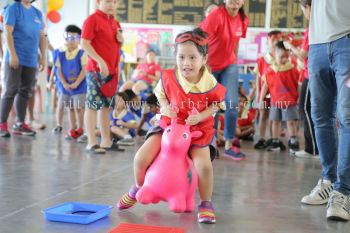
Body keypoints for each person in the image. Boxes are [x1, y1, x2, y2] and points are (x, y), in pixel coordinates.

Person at [117, 28, 226, 224]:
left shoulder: (209, 81)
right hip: (169, 124)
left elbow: (217, 104)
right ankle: (137, 188)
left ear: (204, 59)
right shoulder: (168, 77)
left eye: (193, 57)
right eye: (182, 56)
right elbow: (159, 94)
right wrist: (166, 107)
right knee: (140, 158)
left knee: (204, 166)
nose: (186, 63)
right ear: (175, 56)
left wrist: (201, 115)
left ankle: (206, 203)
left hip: (197, 129)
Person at [300, 0, 350, 221]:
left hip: (347, 42)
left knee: (347, 115)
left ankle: (344, 190)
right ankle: (328, 180)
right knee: (320, 115)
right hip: (317, 44)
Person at [200, 0, 249, 160]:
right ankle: (210, 144)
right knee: (212, 106)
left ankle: (229, 144)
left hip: (229, 65)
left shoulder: (243, 19)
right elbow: (200, 39)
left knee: (232, 104)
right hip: (210, 66)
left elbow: (236, 42)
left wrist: (234, 62)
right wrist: (203, 63)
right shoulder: (216, 15)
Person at [81, 0, 124, 154]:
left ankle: (106, 141)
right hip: (95, 71)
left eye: (114, 2)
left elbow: (114, 47)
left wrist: (121, 40)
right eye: (107, 1)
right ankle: (91, 142)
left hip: (112, 72)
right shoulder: (92, 20)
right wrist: (100, 62)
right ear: (98, 2)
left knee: (106, 107)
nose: (111, 4)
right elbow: (84, 43)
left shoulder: (115, 22)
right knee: (92, 106)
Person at [0, 0, 46, 137]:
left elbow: (41, 36)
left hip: (31, 59)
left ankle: (20, 123)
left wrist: (43, 56)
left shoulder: (37, 12)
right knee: (11, 90)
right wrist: (13, 54)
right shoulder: (13, 8)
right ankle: (2, 123)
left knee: (26, 91)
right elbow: (8, 33)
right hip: (15, 58)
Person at [283, 0, 318, 159]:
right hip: (309, 73)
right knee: (310, 110)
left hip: (311, 75)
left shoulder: (312, 27)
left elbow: (304, 54)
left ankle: (313, 149)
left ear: (308, 8)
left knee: (306, 109)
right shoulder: (316, 27)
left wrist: (290, 46)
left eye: (303, 9)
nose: (304, 12)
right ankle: (313, 148)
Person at [259, 41, 299, 153]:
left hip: (290, 101)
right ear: (274, 54)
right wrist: (261, 100)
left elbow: (298, 84)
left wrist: (299, 97)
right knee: (275, 121)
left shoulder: (292, 69)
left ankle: (293, 142)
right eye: (282, 57)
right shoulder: (270, 71)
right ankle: (275, 142)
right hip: (275, 101)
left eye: (287, 56)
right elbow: (265, 86)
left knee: (291, 122)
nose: (285, 59)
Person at [53, 25, 87, 140]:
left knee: (78, 107)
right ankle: (72, 129)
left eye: (74, 37)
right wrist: (64, 83)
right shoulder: (60, 52)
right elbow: (59, 70)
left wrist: (77, 83)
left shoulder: (83, 53)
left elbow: (84, 70)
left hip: (79, 86)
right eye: (69, 37)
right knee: (69, 107)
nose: (71, 40)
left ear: (79, 39)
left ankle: (80, 128)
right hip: (65, 86)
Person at [254, 30, 282, 149]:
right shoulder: (261, 59)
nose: (275, 42)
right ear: (268, 41)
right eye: (273, 39)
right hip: (264, 93)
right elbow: (258, 79)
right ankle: (261, 138)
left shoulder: (281, 58)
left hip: (277, 93)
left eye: (278, 40)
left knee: (275, 117)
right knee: (263, 114)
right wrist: (257, 95)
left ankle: (273, 139)